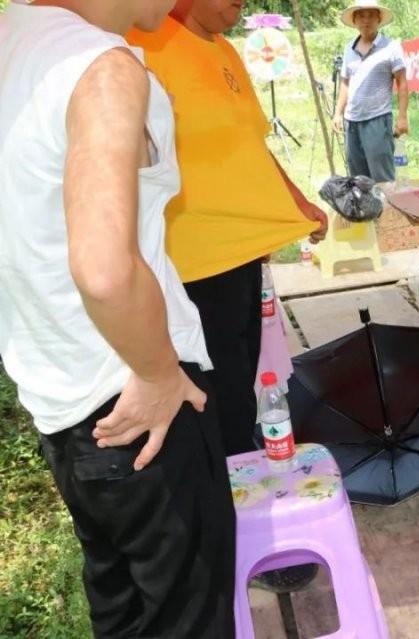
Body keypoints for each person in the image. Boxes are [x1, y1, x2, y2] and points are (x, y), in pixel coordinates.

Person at [0, 1, 235, 636]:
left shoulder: (13, 40)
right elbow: (104, 269)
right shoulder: (103, 69)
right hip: (134, 394)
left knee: (124, 607)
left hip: (59, 397)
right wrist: (158, 372)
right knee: (188, 616)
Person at [127, 0, 328, 458]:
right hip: (190, 264)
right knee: (210, 394)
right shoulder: (144, 42)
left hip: (242, 255)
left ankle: (239, 476)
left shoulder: (224, 49)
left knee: (241, 382)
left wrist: (297, 203)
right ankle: (221, 484)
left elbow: (251, 142)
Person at [332, 0, 409, 183]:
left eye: (370, 16)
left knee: (383, 179)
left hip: (377, 120)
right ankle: (366, 211)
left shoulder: (391, 47)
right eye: (361, 16)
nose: (366, 21)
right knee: (358, 180)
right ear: (355, 20)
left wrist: (403, 117)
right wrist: (337, 114)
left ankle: (389, 212)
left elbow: (402, 82)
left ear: (378, 19)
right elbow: (345, 83)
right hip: (352, 121)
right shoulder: (349, 48)